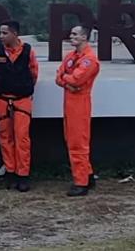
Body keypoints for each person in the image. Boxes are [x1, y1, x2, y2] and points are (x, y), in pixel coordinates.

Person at [0, 20, 38, 192]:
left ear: (15, 34)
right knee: (5, 138)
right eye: (0, 33)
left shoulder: (28, 51)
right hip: (1, 99)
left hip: (22, 100)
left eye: (4, 33)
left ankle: (22, 175)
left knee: (22, 138)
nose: (1, 36)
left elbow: (33, 73)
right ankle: (10, 172)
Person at [56, 24, 100, 197]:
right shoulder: (71, 56)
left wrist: (67, 80)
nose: (71, 36)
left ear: (84, 37)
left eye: (75, 34)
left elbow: (76, 79)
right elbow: (58, 78)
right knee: (71, 139)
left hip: (80, 104)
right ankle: (88, 175)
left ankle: (81, 183)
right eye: (71, 33)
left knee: (78, 143)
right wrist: (68, 81)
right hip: (69, 102)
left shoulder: (90, 59)